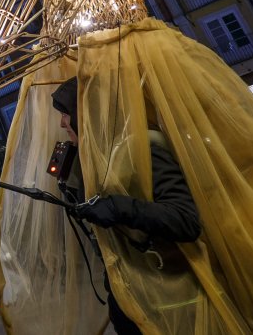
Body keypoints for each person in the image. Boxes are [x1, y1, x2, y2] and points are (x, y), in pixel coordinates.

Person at [53, 76, 201, 335]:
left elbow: (186, 219)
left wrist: (118, 207)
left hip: (169, 303)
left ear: (88, 112)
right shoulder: (97, 158)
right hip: (126, 297)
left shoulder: (145, 147)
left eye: (67, 113)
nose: (62, 122)